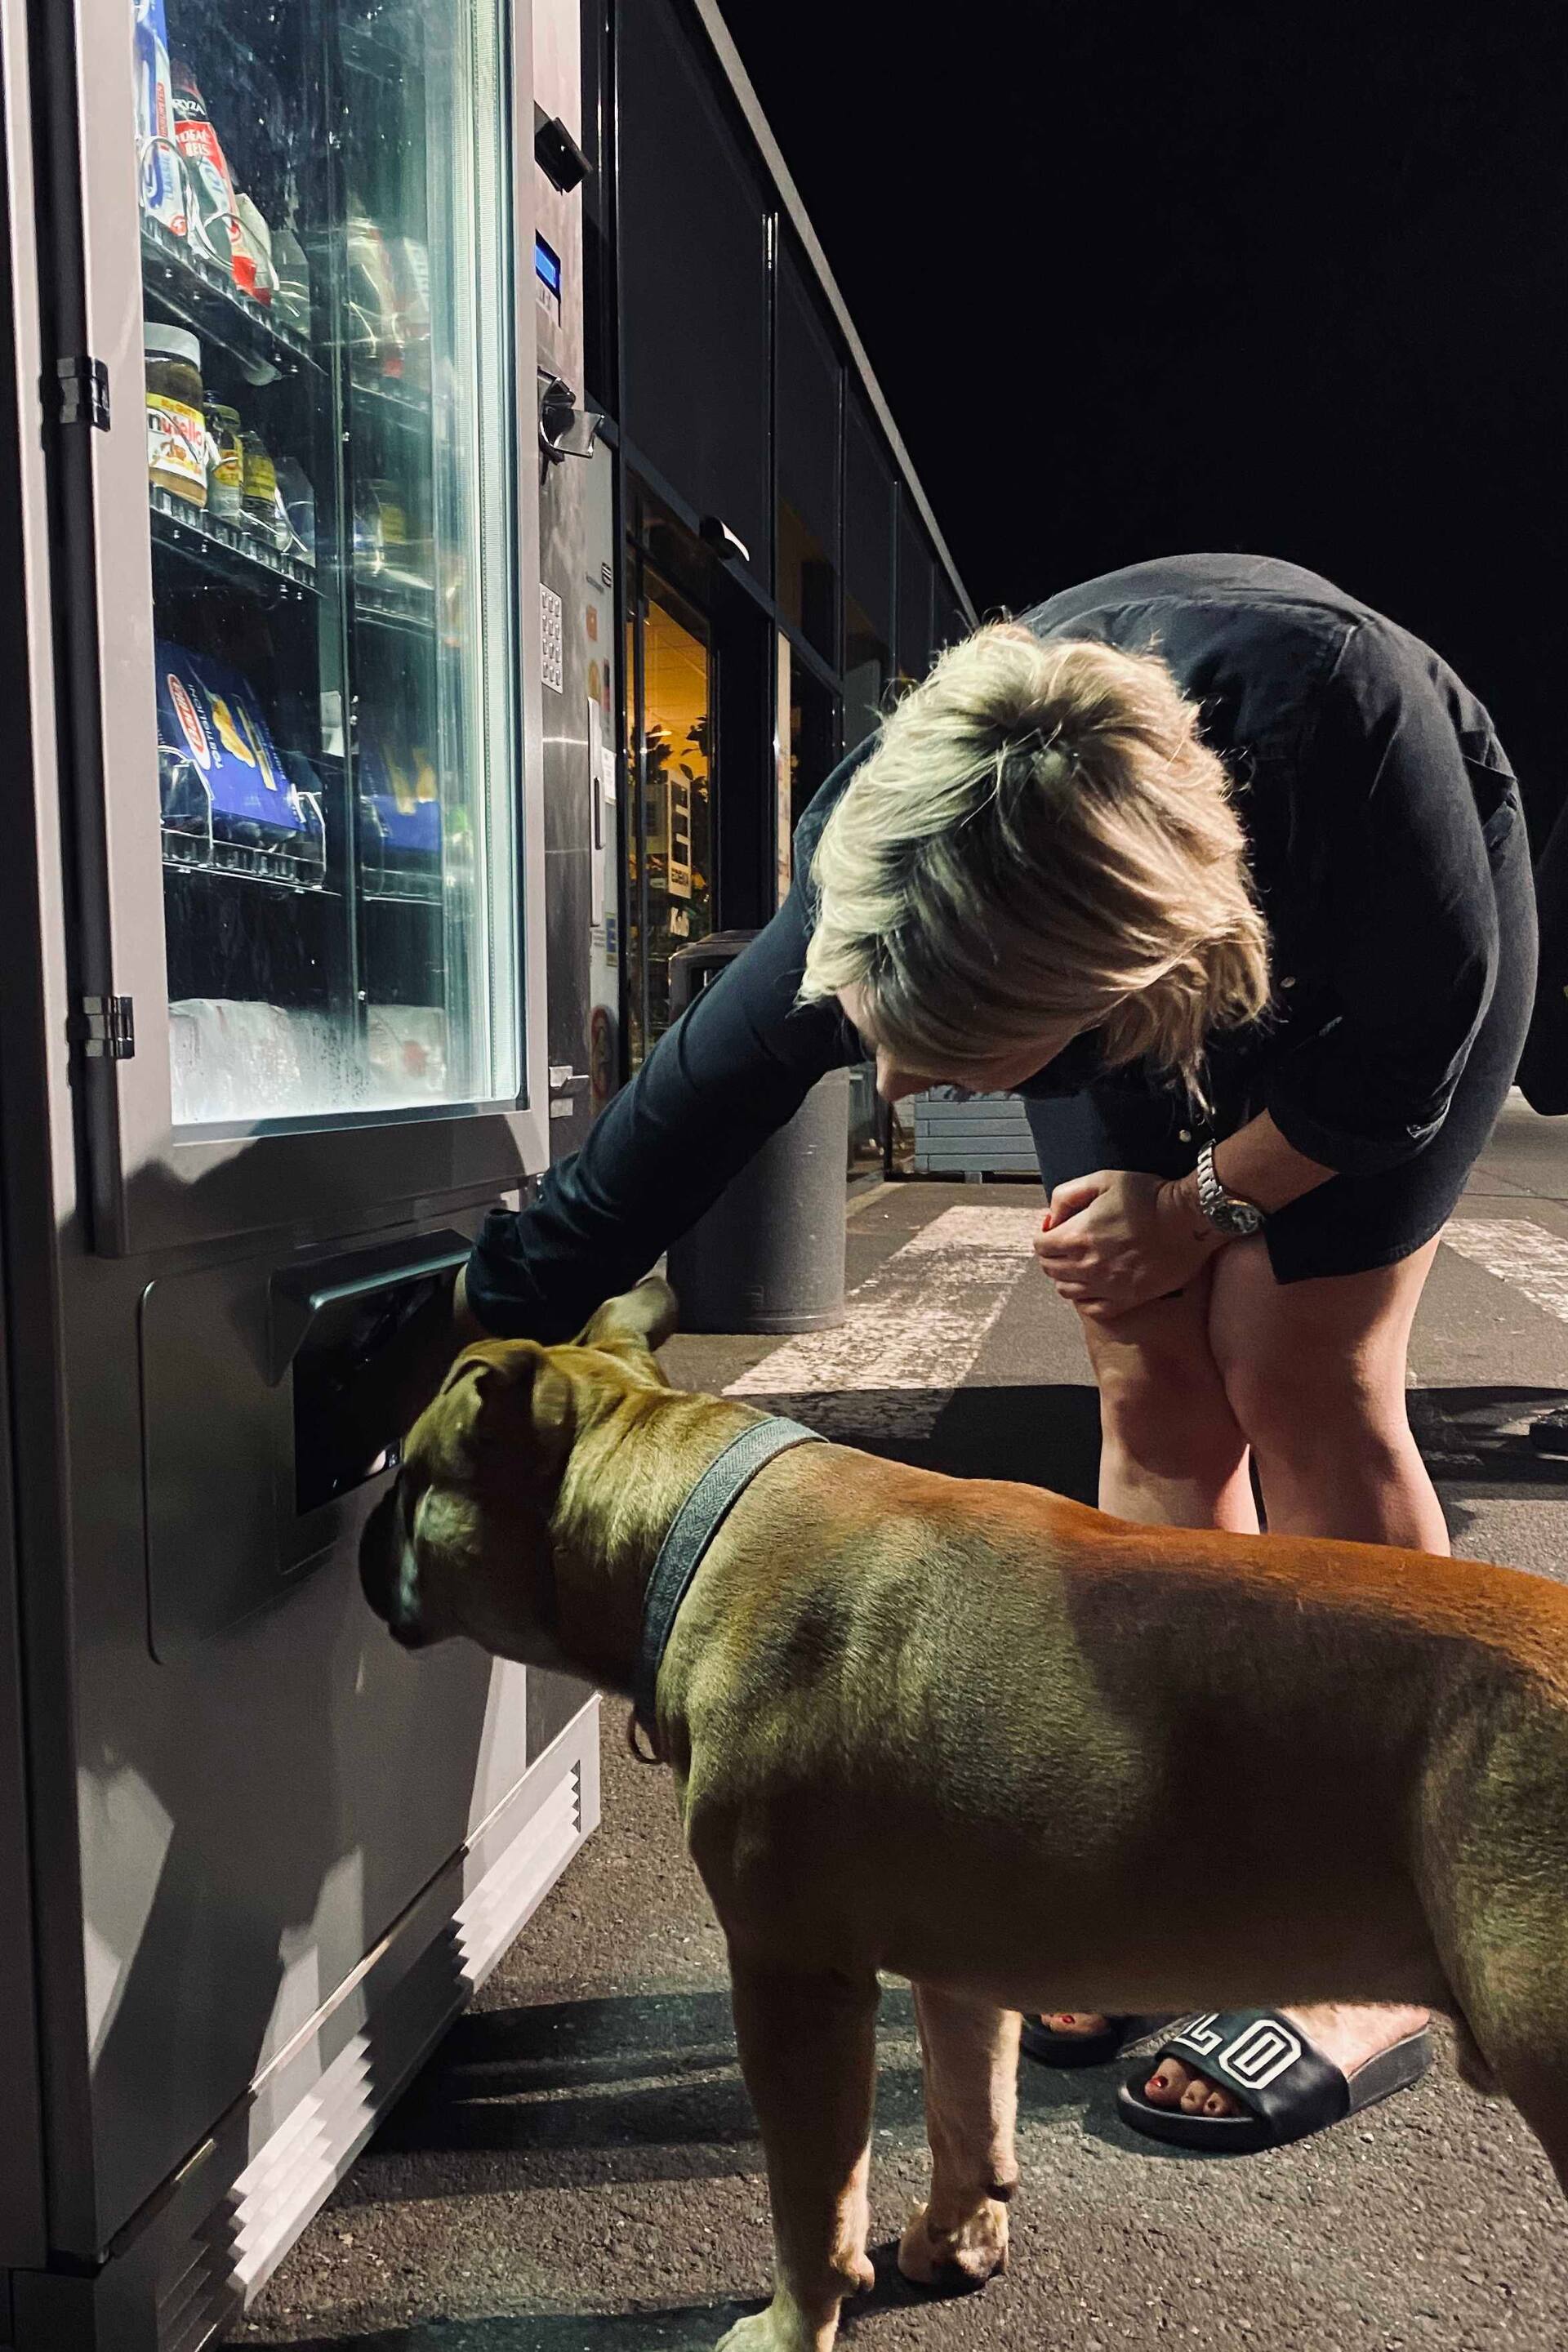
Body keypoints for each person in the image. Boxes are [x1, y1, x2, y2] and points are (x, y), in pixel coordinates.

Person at [379, 550, 1536, 2154]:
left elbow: (1403, 1067)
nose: (907, 1103)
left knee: (1297, 1368)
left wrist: (1202, 1203)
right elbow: (661, 1141)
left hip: (1360, 978)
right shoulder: (894, 859)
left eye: (948, 1066)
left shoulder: (1350, 729)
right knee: (1148, 1377)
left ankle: (1383, 1935)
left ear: (1100, 984)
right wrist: (443, 1338)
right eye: (884, 1053)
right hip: (1078, 910)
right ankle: (1178, 1861)